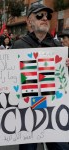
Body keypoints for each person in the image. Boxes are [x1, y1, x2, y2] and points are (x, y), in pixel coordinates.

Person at [12, 3, 69, 150]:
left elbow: (64, 81)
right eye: (39, 15)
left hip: (52, 110)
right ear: (29, 21)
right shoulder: (18, 46)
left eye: (47, 16)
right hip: (27, 111)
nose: (44, 18)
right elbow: (9, 78)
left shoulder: (58, 47)